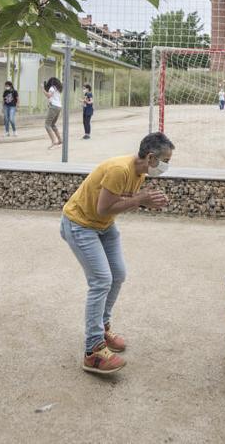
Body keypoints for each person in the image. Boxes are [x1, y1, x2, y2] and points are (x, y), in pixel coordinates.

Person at [60, 132, 174, 374]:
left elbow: (120, 201)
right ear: (151, 157)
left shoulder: (140, 171)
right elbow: (103, 208)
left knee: (118, 274)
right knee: (101, 280)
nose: (166, 166)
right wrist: (141, 200)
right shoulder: (119, 169)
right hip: (80, 224)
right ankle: (93, 351)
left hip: (103, 225)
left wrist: (144, 201)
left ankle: (102, 326)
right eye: (165, 160)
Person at [43, 77, 63, 149]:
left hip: (54, 107)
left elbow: (49, 95)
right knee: (52, 124)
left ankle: (54, 141)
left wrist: (42, 89)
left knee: (47, 125)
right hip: (58, 107)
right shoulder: (57, 89)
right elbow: (52, 98)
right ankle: (60, 140)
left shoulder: (52, 88)